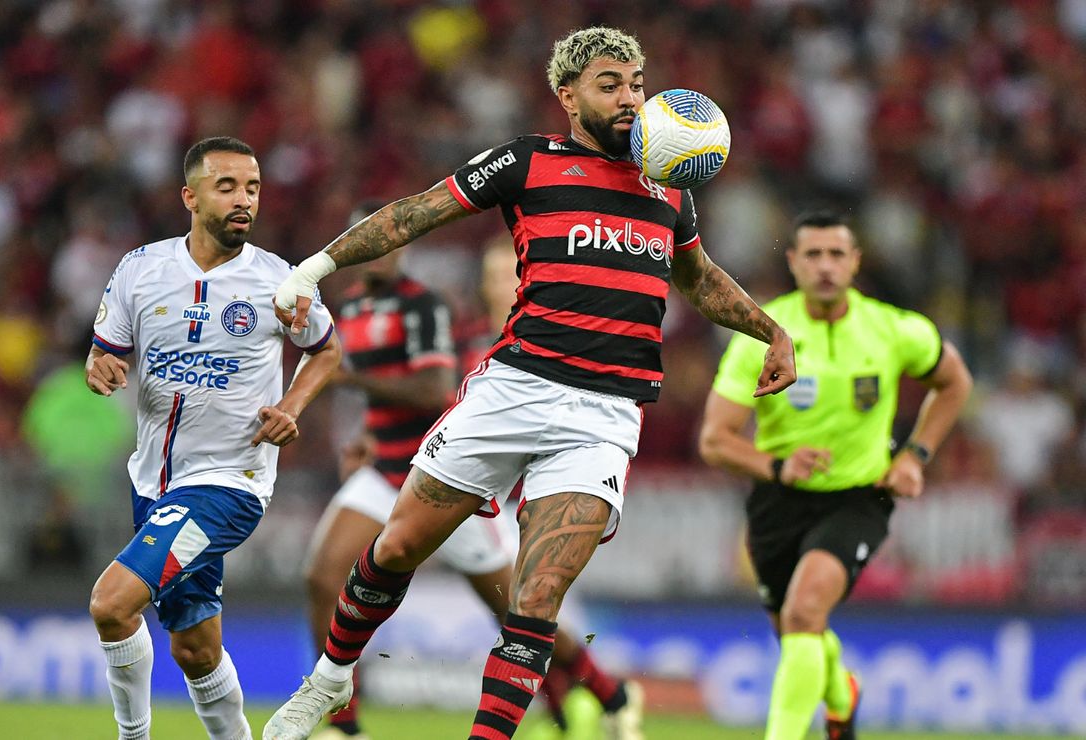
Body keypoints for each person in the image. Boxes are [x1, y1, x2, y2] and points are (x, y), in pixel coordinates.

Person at [265, 26, 796, 740]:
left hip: (605, 416)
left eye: (636, 84)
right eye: (611, 85)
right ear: (568, 95)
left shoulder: (669, 186)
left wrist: (772, 330)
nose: (630, 99)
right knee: (394, 550)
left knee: (537, 598)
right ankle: (329, 683)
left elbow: (697, 280)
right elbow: (417, 212)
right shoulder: (529, 162)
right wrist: (316, 267)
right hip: (513, 389)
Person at [305, 211, 642, 740]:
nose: (498, 282)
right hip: (405, 468)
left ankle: (608, 695)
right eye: (491, 273)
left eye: (507, 271)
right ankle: (344, 726)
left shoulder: (546, 338)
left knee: (519, 612)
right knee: (325, 575)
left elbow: (441, 395)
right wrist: (375, 433)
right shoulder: (467, 334)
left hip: (472, 492)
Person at [86, 136, 342, 740]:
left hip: (231, 482)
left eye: (252, 188)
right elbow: (104, 355)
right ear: (190, 196)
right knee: (196, 650)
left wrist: (291, 405)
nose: (243, 200)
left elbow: (326, 350)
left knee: (111, 603)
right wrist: (99, 368)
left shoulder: (279, 283)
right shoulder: (140, 269)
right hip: (153, 482)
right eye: (227, 187)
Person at [698, 211, 973, 740]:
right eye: (814, 255)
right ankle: (842, 692)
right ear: (793, 262)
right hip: (780, 500)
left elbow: (955, 382)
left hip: (859, 496)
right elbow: (715, 439)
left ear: (855, 262)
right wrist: (777, 465)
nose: (825, 266)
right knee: (797, 633)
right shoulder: (762, 335)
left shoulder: (893, 329)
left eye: (836, 254)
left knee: (804, 612)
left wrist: (915, 455)